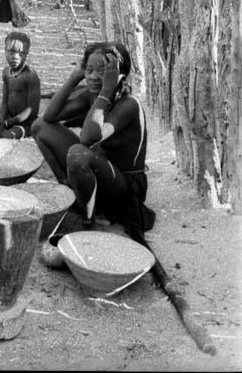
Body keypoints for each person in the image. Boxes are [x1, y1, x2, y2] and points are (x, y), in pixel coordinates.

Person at [31, 41, 155, 238]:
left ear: (118, 75)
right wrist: (74, 78)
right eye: (89, 70)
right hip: (96, 172)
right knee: (40, 127)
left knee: (78, 153)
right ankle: (72, 192)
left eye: (103, 71)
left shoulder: (128, 105)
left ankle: (88, 223)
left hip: (122, 188)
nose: (94, 77)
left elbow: (87, 138)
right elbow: (49, 117)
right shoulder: (92, 95)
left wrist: (105, 92)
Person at [0, 31, 40, 139]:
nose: (15, 57)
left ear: (27, 54)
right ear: (5, 50)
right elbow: (4, 102)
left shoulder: (30, 75)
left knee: (5, 136)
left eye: (21, 53)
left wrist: (8, 123)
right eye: (11, 52)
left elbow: (31, 111)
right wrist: (1, 121)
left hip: (26, 124)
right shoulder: (6, 72)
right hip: (9, 118)